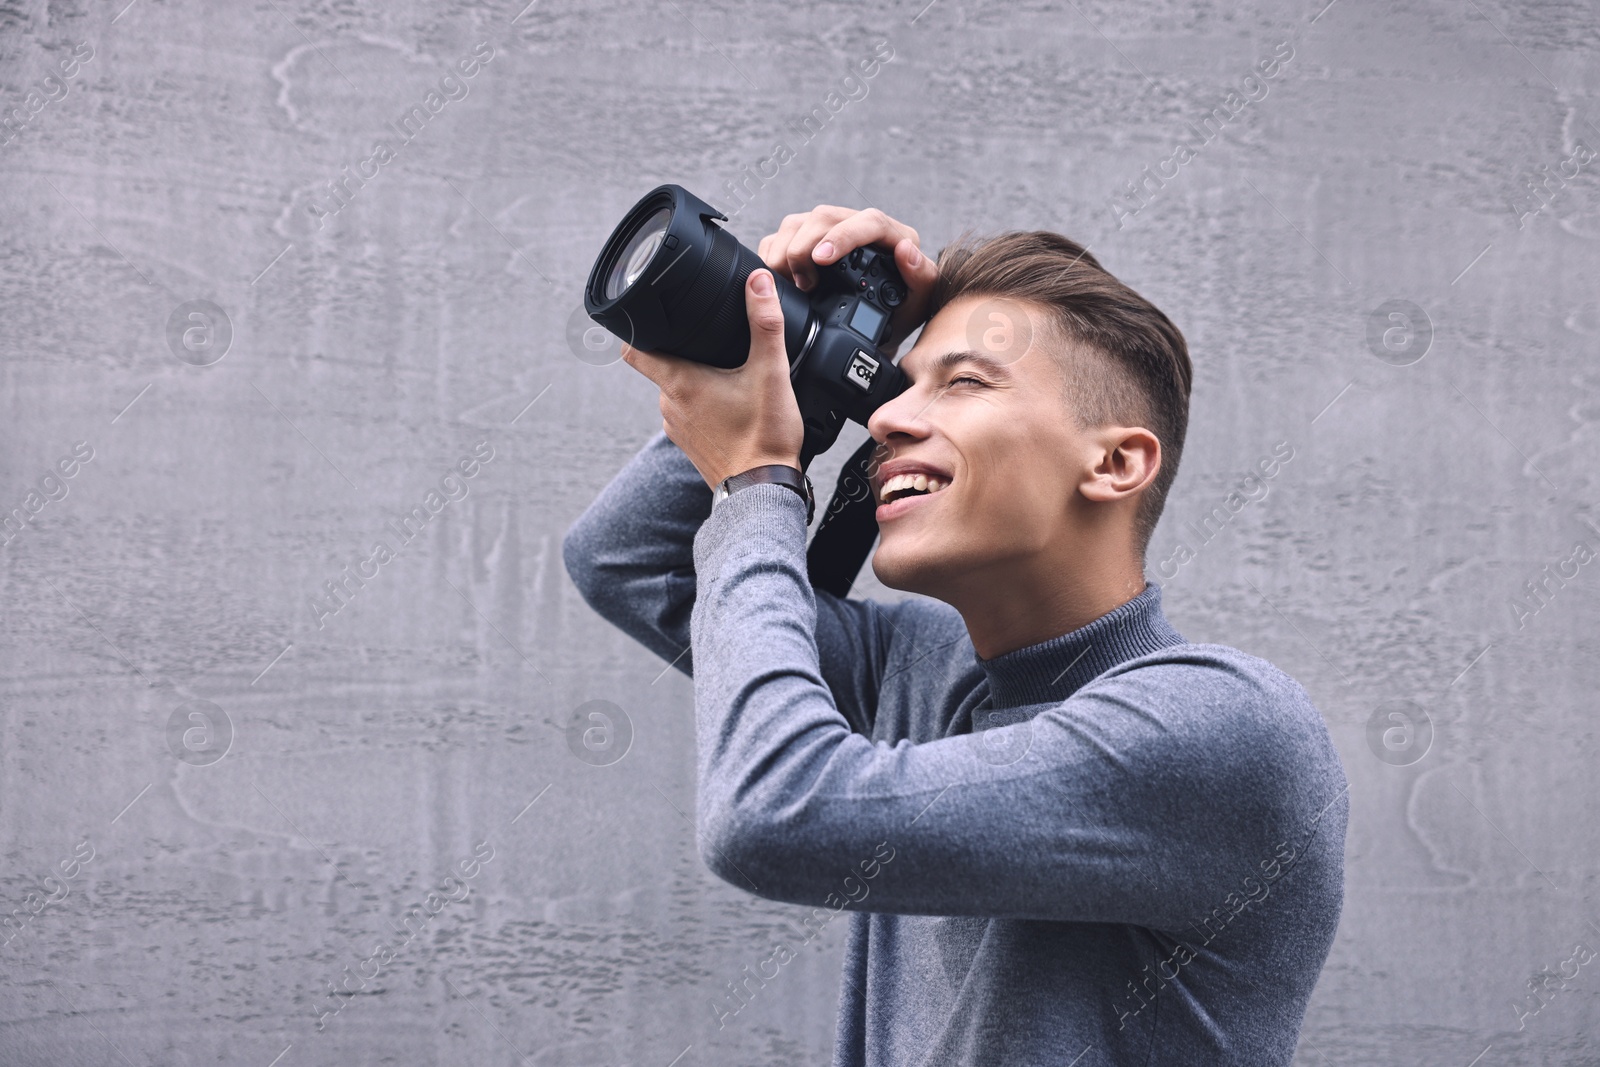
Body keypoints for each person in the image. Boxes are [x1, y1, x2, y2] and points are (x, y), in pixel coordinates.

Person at [562, 204, 1347, 1065]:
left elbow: (773, 810)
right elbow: (632, 563)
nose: (890, 418)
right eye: (897, 384)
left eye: (965, 383)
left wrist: (760, 480)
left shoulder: (1225, 727)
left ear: (1116, 462)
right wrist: (802, 368)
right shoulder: (920, 671)